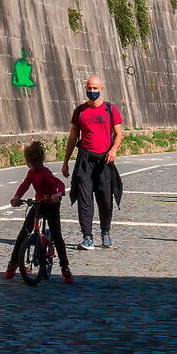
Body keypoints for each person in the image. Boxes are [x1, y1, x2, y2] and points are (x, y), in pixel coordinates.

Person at [63, 77, 125, 250]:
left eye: (95, 87)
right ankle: (87, 237)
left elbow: (119, 134)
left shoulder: (110, 109)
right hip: (84, 160)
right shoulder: (80, 111)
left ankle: (105, 232)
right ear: (85, 88)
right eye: (89, 87)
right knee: (84, 200)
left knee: (105, 199)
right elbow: (73, 136)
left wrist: (113, 150)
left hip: (104, 160)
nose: (92, 90)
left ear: (101, 88)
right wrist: (66, 161)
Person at [4, 141, 74, 284]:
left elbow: (59, 184)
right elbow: (24, 185)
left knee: (56, 235)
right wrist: (17, 197)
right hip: (38, 204)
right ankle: (12, 264)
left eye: (32, 163)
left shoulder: (45, 173)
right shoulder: (32, 173)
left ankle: (65, 268)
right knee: (24, 233)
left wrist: (58, 195)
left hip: (50, 205)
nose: (32, 166)